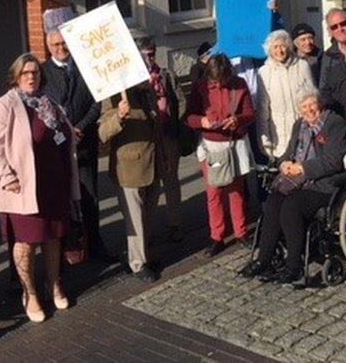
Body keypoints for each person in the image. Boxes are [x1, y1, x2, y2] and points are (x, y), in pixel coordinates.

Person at [0, 54, 80, 323]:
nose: (30, 77)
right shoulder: (4, 106)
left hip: (53, 185)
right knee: (26, 244)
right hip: (23, 189)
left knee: (53, 238)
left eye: (35, 72)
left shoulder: (48, 103)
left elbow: (62, 132)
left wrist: (71, 135)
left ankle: (54, 284)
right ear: (16, 76)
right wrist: (6, 176)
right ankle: (31, 293)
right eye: (25, 72)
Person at [239, 91, 346, 285]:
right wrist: (284, 165)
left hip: (322, 184)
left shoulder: (335, 124)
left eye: (312, 104)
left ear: (320, 104)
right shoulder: (299, 125)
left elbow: (333, 161)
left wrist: (302, 168)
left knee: (291, 207)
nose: (309, 110)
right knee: (273, 202)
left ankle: (294, 266)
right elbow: (288, 153)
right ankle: (264, 259)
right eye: (304, 107)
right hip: (296, 181)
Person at [41, 16, 110, 260]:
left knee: (91, 197)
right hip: (58, 149)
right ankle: (63, 251)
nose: (61, 49)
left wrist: (79, 128)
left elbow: (96, 103)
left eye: (64, 44)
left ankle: (95, 244)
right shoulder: (43, 73)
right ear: (49, 47)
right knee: (62, 201)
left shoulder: (85, 68)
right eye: (56, 45)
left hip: (84, 143)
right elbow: (42, 108)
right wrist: (65, 131)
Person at [185, 53, 255, 257]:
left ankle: (241, 232)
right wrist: (201, 122)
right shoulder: (201, 87)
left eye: (221, 80)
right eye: (215, 80)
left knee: (236, 191)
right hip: (211, 146)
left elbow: (250, 113)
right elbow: (188, 116)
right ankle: (217, 236)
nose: (218, 84)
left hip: (234, 143)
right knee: (213, 193)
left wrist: (238, 120)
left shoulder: (239, 84)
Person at [98, 78, 163, 283]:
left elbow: (156, 130)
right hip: (129, 168)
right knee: (135, 221)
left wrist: (164, 158)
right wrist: (119, 115)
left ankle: (147, 255)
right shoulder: (114, 96)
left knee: (149, 217)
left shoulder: (148, 94)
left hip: (153, 164)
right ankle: (138, 263)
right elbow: (102, 133)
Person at [137, 37, 184, 244]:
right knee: (150, 185)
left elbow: (181, 100)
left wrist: (176, 121)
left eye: (152, 54)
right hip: (147, 138)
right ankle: (147, 230)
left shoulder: (166, 75)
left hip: (167, 135)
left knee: (171, 181)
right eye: (145, 55)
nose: (149, 59)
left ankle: (175, 223)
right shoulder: (134, 80)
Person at [257, 30, 315, 162]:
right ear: (269, 50)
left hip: (304, 134)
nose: (280, 51)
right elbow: (262, 110)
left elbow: (313, 100)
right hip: (279, 140)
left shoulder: (302, 66)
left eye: (282, 46)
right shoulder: (264, 73)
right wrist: (265, 143)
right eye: (275, 47)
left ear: (288, 46)